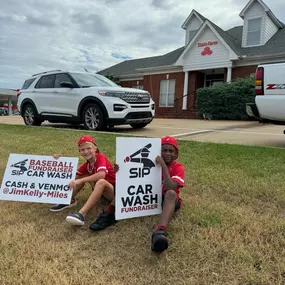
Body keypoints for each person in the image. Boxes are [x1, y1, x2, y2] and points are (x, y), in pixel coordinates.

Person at [113, 136, 185, 253]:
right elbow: (134, 174)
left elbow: (170, 186)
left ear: (176, 154)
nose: (167, 153)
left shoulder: (178, 167)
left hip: (169, 201)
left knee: (171, 193)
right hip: (151, 198)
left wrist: (163, 166)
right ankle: (110, 213)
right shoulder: (150, 164)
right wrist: (121, 169)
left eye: (171, 151)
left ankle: (160, 231)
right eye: (164, 150)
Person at [49, 135, 117, 230]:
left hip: (116, 192)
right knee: (80, 177)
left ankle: (81, 214)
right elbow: (70, 176)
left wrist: (80, 180)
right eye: (82, 149)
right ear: (79, 151)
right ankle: (69, 199)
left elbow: (101, 175)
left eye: (88, 148)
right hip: (104, 192)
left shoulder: (100, 157)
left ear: (95, 148)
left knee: (100, 181)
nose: (85, 152)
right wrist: (58, 162)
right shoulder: (87, 164)